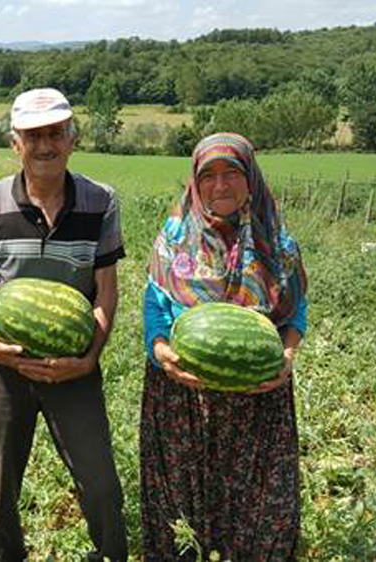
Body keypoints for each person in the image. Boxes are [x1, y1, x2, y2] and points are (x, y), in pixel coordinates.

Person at [0, 88, 129, 561]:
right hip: (3, 365)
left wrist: (88, 358)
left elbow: (106, 291)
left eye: (56, 133)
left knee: (101, 485)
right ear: (16, 143)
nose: (46, 145)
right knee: (1, 491)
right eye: (34, 136)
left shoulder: (101, 202)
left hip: (76, 362)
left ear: (72, 140)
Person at [140, 133, 309, 560]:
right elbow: (154, 303)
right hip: (182, 396)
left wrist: (287, 354)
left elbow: (297, 313)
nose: (220, 186)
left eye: (231, 173)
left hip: (258, 399)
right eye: (208, 175)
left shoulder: (277, 242)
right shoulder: (175, 237)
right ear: (195, 183)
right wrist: (160, 349)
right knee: (184, 505)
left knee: (261, 505)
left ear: (250, 178)